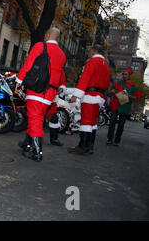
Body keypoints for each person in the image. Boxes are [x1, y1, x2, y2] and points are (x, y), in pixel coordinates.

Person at [15, 28, 66, 162]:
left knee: (35, 119)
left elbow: (28, 64)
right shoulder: (62, 54)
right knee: (36, 117)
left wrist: (19, 80)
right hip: (50, 93)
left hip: (37, 89)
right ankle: (28, 144)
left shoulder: (40, 46)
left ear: (48, 35)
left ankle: (37, 152)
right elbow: (60, 73)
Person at [67, 44, 110, 155]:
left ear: (93, 51)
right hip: (98, 96)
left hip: (90, 95)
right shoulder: (105, 64)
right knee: (92, 122)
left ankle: (82, 146)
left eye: (90, 50)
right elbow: (106, 84)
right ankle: (90, 146)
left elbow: (85, 78)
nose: (89, 52)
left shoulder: (92, 61)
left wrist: (75, 95)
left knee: (86, 121)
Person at [106, 67, 142, 146]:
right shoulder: (118, 83)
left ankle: (117, 141)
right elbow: (109, 93)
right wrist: (112, 92)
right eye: (123, 74)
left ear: (130, 75)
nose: (124, 76)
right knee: (112, 122)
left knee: (121, 125)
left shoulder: (133, 86)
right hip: (115, 105)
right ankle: (109, 139)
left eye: (126, 74)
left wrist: (129, 95)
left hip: (125, 107)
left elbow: (138, 97)